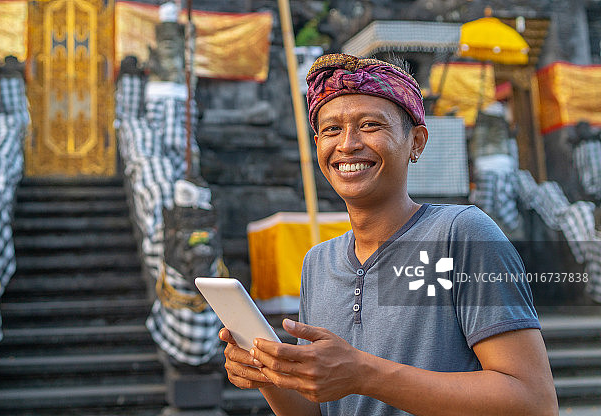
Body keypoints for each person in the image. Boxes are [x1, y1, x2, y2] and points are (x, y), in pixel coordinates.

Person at [220, 53, 558, 415]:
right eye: (332, 129)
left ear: (417, 142)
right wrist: (273, 376)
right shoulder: (317, 262)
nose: (347, 144)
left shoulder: (460, 236)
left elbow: (533, 401)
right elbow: (320, 409)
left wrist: (365, 374)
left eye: (370, 125)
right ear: (317, 143)